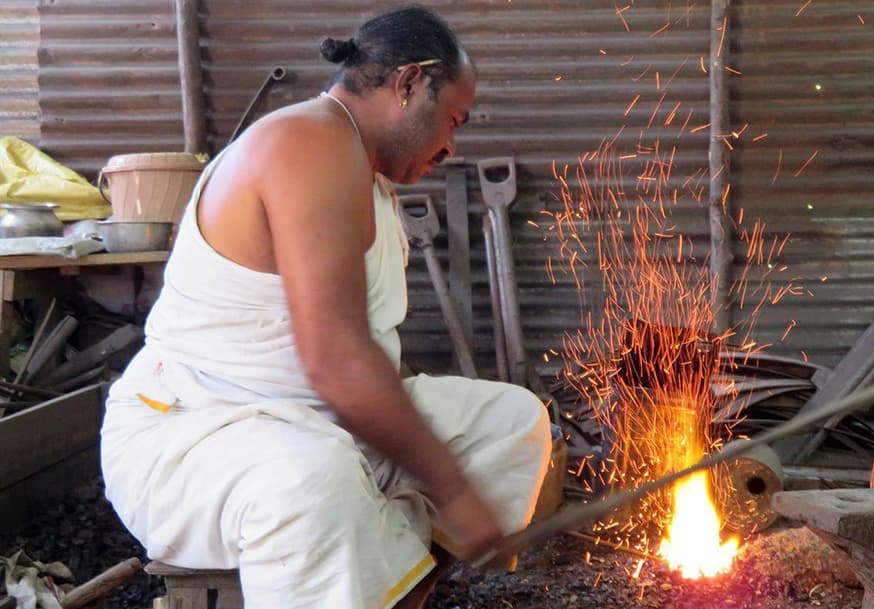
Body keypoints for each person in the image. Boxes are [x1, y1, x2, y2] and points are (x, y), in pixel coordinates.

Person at [100, 6, 552, 609]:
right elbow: (336, 362)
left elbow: (359, 355)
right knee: (311, 480)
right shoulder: (307, 143)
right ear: (408, 83)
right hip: (199, 435)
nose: (451, 145)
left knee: (509, 422)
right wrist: (455, 492)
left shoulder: (366, 171)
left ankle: (400, 591)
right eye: (453, 120)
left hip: (316, 424)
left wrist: (441, 470)